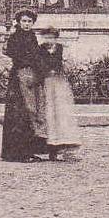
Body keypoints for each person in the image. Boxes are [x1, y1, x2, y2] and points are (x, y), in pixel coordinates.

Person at [1, 8, 49, 162]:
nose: (27, 24)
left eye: (29, 21)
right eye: (24, 21)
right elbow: (17, 56)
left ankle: (28, 151)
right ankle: (16, 153)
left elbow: (36, 56)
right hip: (19, 79)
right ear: (19, 22)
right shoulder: (15, 38)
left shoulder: (32, 37)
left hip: (32, 78)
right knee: (20, 114)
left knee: (31, 113)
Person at [36, 26, 82, 161]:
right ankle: (50, 148)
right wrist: (44, 71)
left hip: (59, 83)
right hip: (46, 83)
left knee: (61, 113)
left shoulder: (61, 49)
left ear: (56, 38)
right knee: (48, 113)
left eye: (52, 37)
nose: (49, 40)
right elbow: (37, 64)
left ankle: (65, 146)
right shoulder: (40, 50)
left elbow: (68, 64)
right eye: (46, 37)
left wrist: (64, 67)